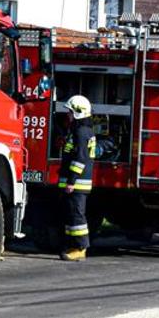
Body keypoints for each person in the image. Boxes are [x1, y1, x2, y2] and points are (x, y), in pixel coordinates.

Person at [57, 95, 97, 261]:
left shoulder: (81, 132)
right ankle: (72, 245)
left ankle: (81, 248)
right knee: (71, 215)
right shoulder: (81, 131)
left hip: (78, 183)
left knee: (77, 216)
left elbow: (80, 159)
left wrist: (71, 181)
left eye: (70, 112)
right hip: (76, 182)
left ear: (78, 113)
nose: (68, 115)